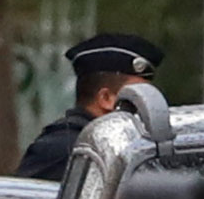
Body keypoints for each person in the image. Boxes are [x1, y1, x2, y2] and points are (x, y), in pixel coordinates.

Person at [20, 33, 164, 181]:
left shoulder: (116, 145)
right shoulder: (65, 149)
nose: (145, 104)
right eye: (137, 95)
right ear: (106, 98)